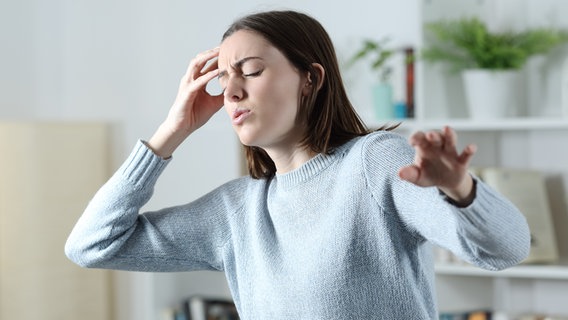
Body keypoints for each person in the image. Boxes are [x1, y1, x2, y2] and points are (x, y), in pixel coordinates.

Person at [65, 10, 530, 319]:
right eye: (222, 79)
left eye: (249, 71)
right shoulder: (236, 211)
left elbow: (505, 249)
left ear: (310, 77)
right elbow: (91, 246)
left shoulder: (373, 164)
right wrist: (172, 130)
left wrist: (460, 190)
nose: (231, 91)